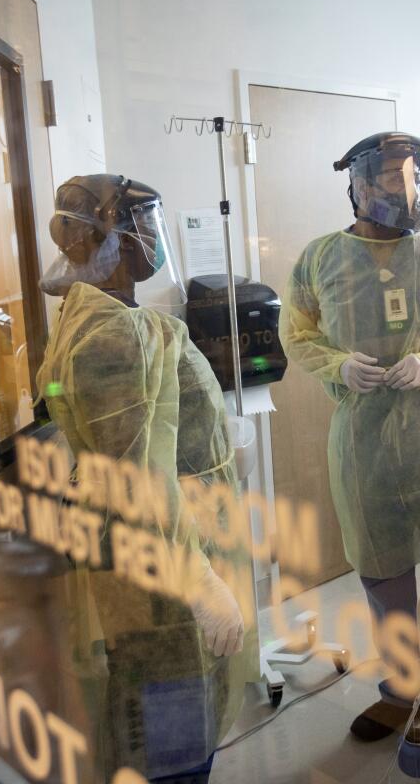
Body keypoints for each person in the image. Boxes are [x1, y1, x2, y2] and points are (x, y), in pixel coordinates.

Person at [36, 175, 256, 781]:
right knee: (173, 729)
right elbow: (138, 477)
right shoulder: (112, 335)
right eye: (145, 225)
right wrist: (201, 580)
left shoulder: (108, 315)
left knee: (165, 710)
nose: (154, 240)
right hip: (164, 566)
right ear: (109, 239)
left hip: (165, 547)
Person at [280, 133, 420, 742]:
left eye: (413, 178)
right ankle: (402, 691)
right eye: (389, 179)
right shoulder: (320, 259)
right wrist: (336, 365)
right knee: (384, 571)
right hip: (365, 440)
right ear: (356, 186)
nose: (405, 192)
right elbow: (297, 334)